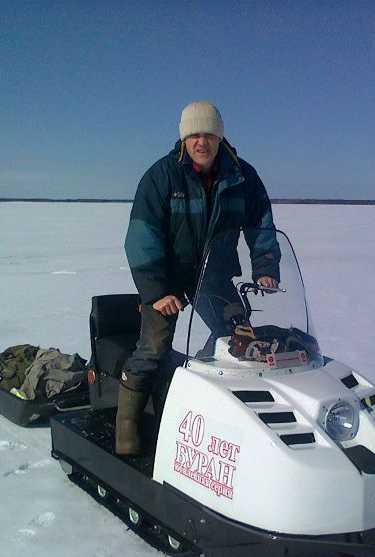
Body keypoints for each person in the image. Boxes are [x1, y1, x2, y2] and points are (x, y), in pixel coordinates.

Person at [117, 100, 279, 455]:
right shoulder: (162, 176)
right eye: (193, 135)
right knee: (153, 348)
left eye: (208, 134)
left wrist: (265, 268)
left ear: (220, 137)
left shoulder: (243, 177)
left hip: (215, 276)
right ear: (184, 139)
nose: (201, 142)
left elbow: (262, 224)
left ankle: (212, 409)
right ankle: (126, 431)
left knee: (238, 344)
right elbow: (142, 237)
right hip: (167, 279)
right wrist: (157, 291)